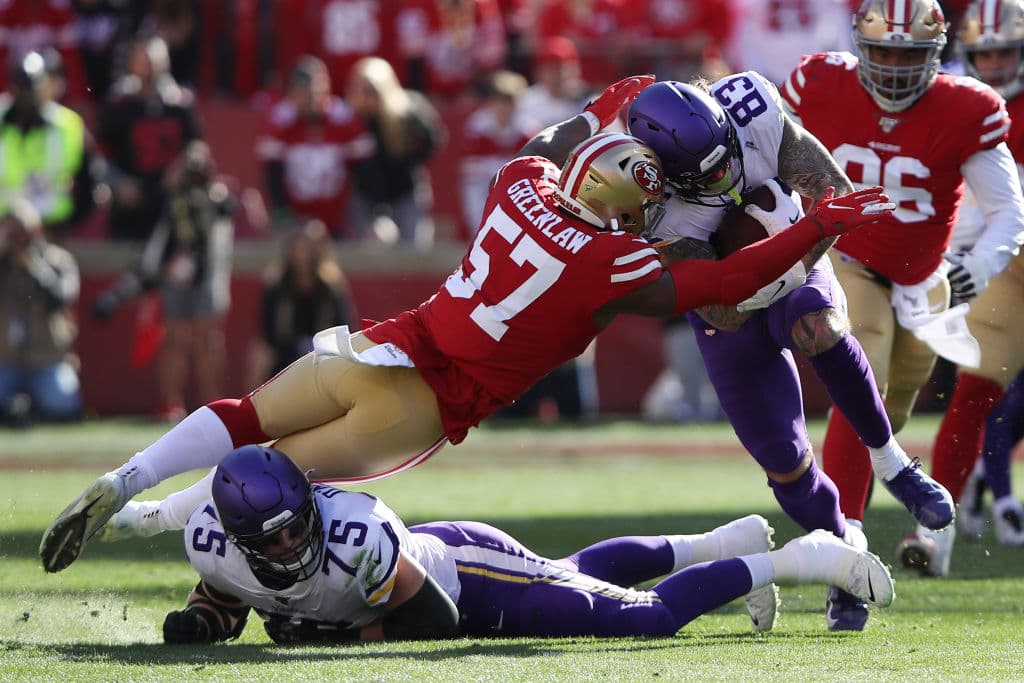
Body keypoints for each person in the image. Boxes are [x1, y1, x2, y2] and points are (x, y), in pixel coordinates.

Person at [39, 73, 896, 576]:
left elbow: (561, 142)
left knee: (247, 414)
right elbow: (730, 278)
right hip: (434, 400)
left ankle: (130, 479)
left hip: (392, 340)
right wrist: (821, 225)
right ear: (631, 200)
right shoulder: (613, 265)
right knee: (280, 469)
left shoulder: (517, 180)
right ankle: (158, 519)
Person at [627, 74, 949, 633]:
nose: (725, 174)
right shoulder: (651, 204)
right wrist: (778, 242)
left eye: (725, 155)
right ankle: (846, 553)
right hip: (726, 306)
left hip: (795, 263)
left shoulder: (750, 109)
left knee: (817, 326)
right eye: (706, 174)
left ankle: (891, 461)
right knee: (787, 465)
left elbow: (834, 190)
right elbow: (723, 311)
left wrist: (792, 242)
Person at [115, 446, 894, 643]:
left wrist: (332, 632)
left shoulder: (356, 532)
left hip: (467, 582)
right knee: (579, 572)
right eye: (271, 538)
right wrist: (202, 621)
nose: (287, 546)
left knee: (640, 620)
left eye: (296, 527)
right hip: (455, 568)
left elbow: (436, 623)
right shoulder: (214, 540)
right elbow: (229, 593)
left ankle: (809, 555)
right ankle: (719, 543)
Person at [781, 0, 1024, 587]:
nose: (891, 66)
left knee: (889, 407)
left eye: (906, 54)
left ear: (934, 57)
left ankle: (936, 521)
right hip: (849, 255)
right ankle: (845, 535)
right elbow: (764, 143)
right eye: (881, 51)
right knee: (860, 362)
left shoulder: (967, 107)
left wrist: (978, 263)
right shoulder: (821, 80)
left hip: (928, 272)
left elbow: (1005, 211)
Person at [898, 0, 1024, 575]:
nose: (996, 63)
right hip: (1006, 263)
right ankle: (934, 535)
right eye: (986, 52)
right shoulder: (960, 102)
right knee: (974, 393)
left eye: (1005, 51)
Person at [91, 141, 234, 423]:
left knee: (208, 341)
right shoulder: (168, 198)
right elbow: (155, 235)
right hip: (174, 275)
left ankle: (212, 404)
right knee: (174, 341)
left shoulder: (216, 197)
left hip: (208, 276)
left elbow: (226, 212)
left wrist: (212, 186)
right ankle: (172, 404)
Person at [97, 35, 203, 242]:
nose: (149, 66)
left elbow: (196, 145)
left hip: (169, 198)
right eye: (143, 59)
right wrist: (119, 182)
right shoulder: (118, 104)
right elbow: (100, 153)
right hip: (130, 197)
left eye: (154, 59)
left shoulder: (180, 104)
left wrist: (179, 168)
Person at [256, 55, 374, 236]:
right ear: (292, 92)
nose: (311, 98)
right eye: (304, 91)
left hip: (339, 215)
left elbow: (365, 169)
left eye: (316, 90)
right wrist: (281, 209)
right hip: (296, 219)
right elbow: (272, 171)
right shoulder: (280, 119)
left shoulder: (344, 118)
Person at [345, 56, 443, 248]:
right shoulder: (351, 119)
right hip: (367, 195)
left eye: (371, 91)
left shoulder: (406, 111)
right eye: (360, 90)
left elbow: (432, 138)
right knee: (365, 251)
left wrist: (410, 162)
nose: (366, 97)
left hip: (405, 190)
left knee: (414, 249)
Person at [245, 220, 357, 387]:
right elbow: (266, 337)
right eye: (298, 248)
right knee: (259, 355)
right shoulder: (277, 287)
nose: (302, 256)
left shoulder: (331, 288)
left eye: (308, 249)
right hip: (285, 363)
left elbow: (345, 332)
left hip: (323, 361)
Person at [0, 198, 81, 425]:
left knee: (63, 406)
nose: (19, 239)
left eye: (22, 231)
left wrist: (33, 265)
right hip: (5, 358)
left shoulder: (58, 259)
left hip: (47, 357)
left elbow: (60, 299)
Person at [0, 51, 96, 241]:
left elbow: (89, 180)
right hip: (4, 233)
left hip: (52, 229)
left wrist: (73, 221)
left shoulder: (68, 125)